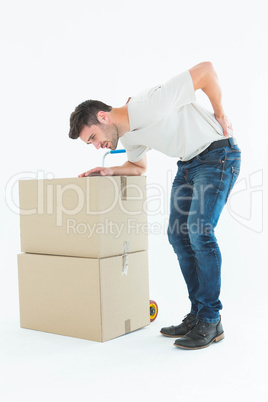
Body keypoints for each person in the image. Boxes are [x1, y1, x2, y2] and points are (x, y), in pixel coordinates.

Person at [68, 61, 241, 350]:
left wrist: (220, 112)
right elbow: (138, 165)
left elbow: (207, 71)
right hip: (189, 166)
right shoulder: (128, 135)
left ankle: (211, 318)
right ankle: (199, 315)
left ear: (102, 117)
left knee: (200, 233)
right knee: (178, 236)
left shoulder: (149, 103)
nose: (97, 146)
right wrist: (110, 171)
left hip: (218, 156)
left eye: (93, 139)